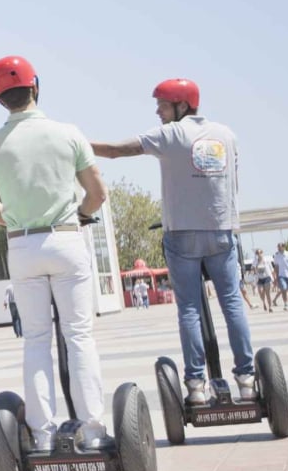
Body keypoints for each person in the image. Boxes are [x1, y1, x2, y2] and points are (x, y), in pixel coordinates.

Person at [92, 78, 258, 404]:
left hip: (182, 234)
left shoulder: (171, 135)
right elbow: (232, 184)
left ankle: (196, 385)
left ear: (182, 105)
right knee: (232, 302)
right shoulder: (227, 136)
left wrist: (79, 144)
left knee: (190, 309)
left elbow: (115, 151)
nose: (157, 111)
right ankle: (248, 379)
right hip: (221, 231)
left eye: (162, 105)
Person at [0, 56, 109, 452]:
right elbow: (97, 194)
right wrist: (81, 215)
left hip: (22, 245)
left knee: (35, 340)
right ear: (35, 87)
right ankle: (93, 430)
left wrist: (18, 225)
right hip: (67, 239)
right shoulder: (68, 134)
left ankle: (43, 435)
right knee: (79, 335)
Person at [273, 243, 288, 311]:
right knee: (284, 288)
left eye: (280, 247)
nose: (278, 248)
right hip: (281, 275)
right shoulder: (276, 256)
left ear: (284, 247)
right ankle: (286, 303)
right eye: (278, 247)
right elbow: (276, 267)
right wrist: (276, 277)